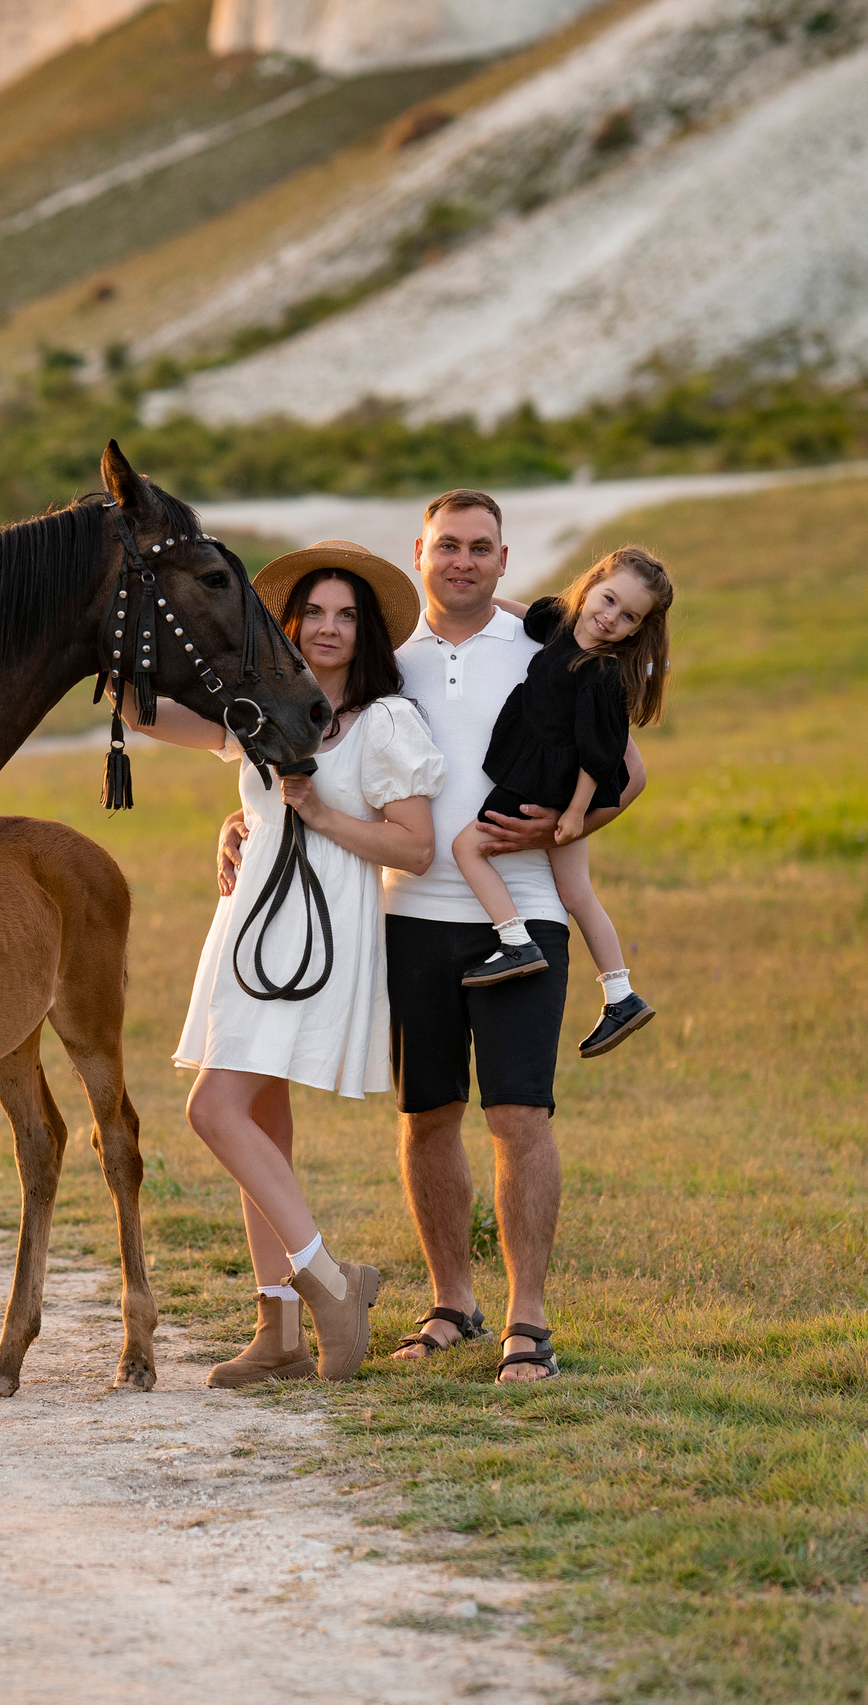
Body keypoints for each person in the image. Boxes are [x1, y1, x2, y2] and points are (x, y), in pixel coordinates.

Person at [220, 493, 647, 1383]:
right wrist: (236, 823)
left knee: (520, 1116)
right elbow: (316, 758)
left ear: (503, 559)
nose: (463, 560)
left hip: (521, 914)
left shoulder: (548, 643)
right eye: (447, 545)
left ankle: (528, 1320)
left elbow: (630, 772)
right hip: (408, 916)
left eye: (480, 548)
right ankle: (452, 1300)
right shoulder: (392, 664)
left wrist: (558, 832)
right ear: (418, 553)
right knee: (426, 1119)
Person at [126, 542, 445, 1387]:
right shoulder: (263, 705)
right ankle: (279, 1330)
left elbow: (414, 847)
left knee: (213, 1108)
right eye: (315, 614)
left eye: (347, 615)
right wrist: (125, 646)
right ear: (289, 625)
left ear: (364, 631)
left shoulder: (385, 722)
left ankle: (331, 1279)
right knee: (261, 1122)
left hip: (322, 931)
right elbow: (153, 718)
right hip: (248, 923)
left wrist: (318, 810)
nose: (329, 629)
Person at [451, 546, 672, 1059]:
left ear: (638, 629)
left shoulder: (601, 673)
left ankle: (514, 940)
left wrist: (574, 815)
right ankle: (621, 994)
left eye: (628, 617)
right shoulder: (562, 624)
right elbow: (527, 613)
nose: (610, 617)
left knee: (466, 848)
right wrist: (479, 603)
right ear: (592, 583)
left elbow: (599, 758)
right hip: (546, 776)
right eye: (609, 599)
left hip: (542, 782)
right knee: (576, 893)